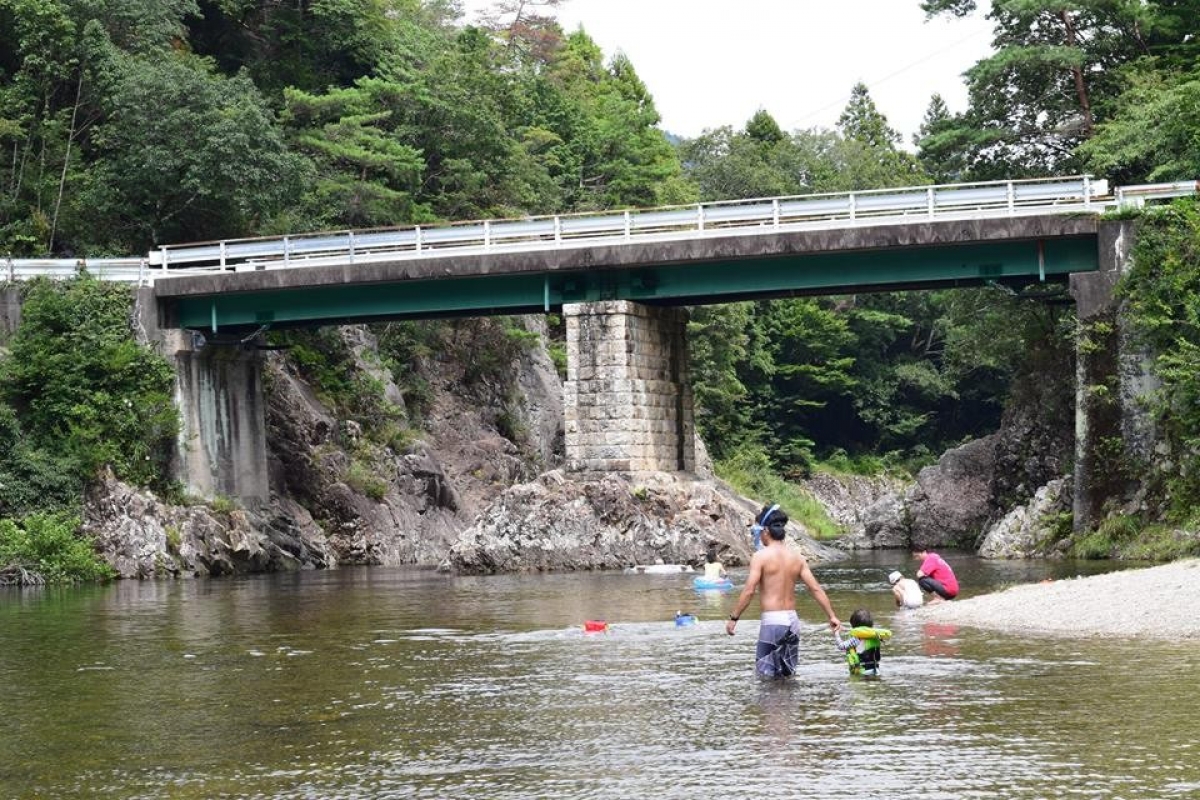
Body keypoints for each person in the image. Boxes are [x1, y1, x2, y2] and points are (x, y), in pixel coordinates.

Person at [725, 509, 841, 678]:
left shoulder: (761, 557)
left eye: (757, 531)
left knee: (766, 676)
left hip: (773, 621)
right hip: (792, 622)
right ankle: (790, 704)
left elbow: (749, 591)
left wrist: (734, 618)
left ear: (766, 531)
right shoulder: (797, 558)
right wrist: (832, 616)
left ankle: (772, 705)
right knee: (788, 674)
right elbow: (815, 588)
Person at [834, 608, 891, 677]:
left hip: (862, 672)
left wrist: (836, 634)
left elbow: (841, 646)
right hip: (876, 671)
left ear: (854, 626)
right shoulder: (876, 636)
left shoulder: (856, 639)